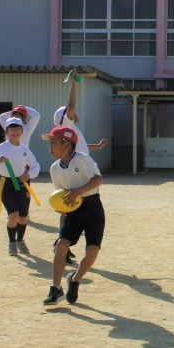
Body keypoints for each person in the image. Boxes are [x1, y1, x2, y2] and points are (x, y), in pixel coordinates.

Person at [41, 125, 105, 306]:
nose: (50, 147)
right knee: (61, 245)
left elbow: (98, 179)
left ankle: (75, 279)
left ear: (67, 144)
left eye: (53, 143)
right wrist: (61, 207)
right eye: (50, 143)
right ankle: (56, 288)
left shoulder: (82, 159)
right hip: (73, 210)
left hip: (92, 207)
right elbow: (61, 193)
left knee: (92, 251)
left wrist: (77, 191)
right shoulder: (55, 169)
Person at [54, 71, 108, 264]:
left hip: (78, 169)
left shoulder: (73, 131)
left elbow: (81, 148)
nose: (74, 114)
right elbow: (71, 105)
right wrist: (75, 83)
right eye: (70, 113)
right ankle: (62, 243)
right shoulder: (66, 124)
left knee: (69, 207)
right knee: (68, 208)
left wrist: (97, 147)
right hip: (74, 172)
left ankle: (63, 244)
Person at [0, 117, 40, 256]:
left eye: (17, 129)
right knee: (13, 214)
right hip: (5, 184)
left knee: (23, 217)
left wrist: (28, 175)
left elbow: (35, 166)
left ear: (22, 131)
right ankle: (12, 242)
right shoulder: (1, 148)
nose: (15, 132)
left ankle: (20, 240)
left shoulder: (25, 150)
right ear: (7, 132)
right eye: (12, 129)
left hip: (21, 183)